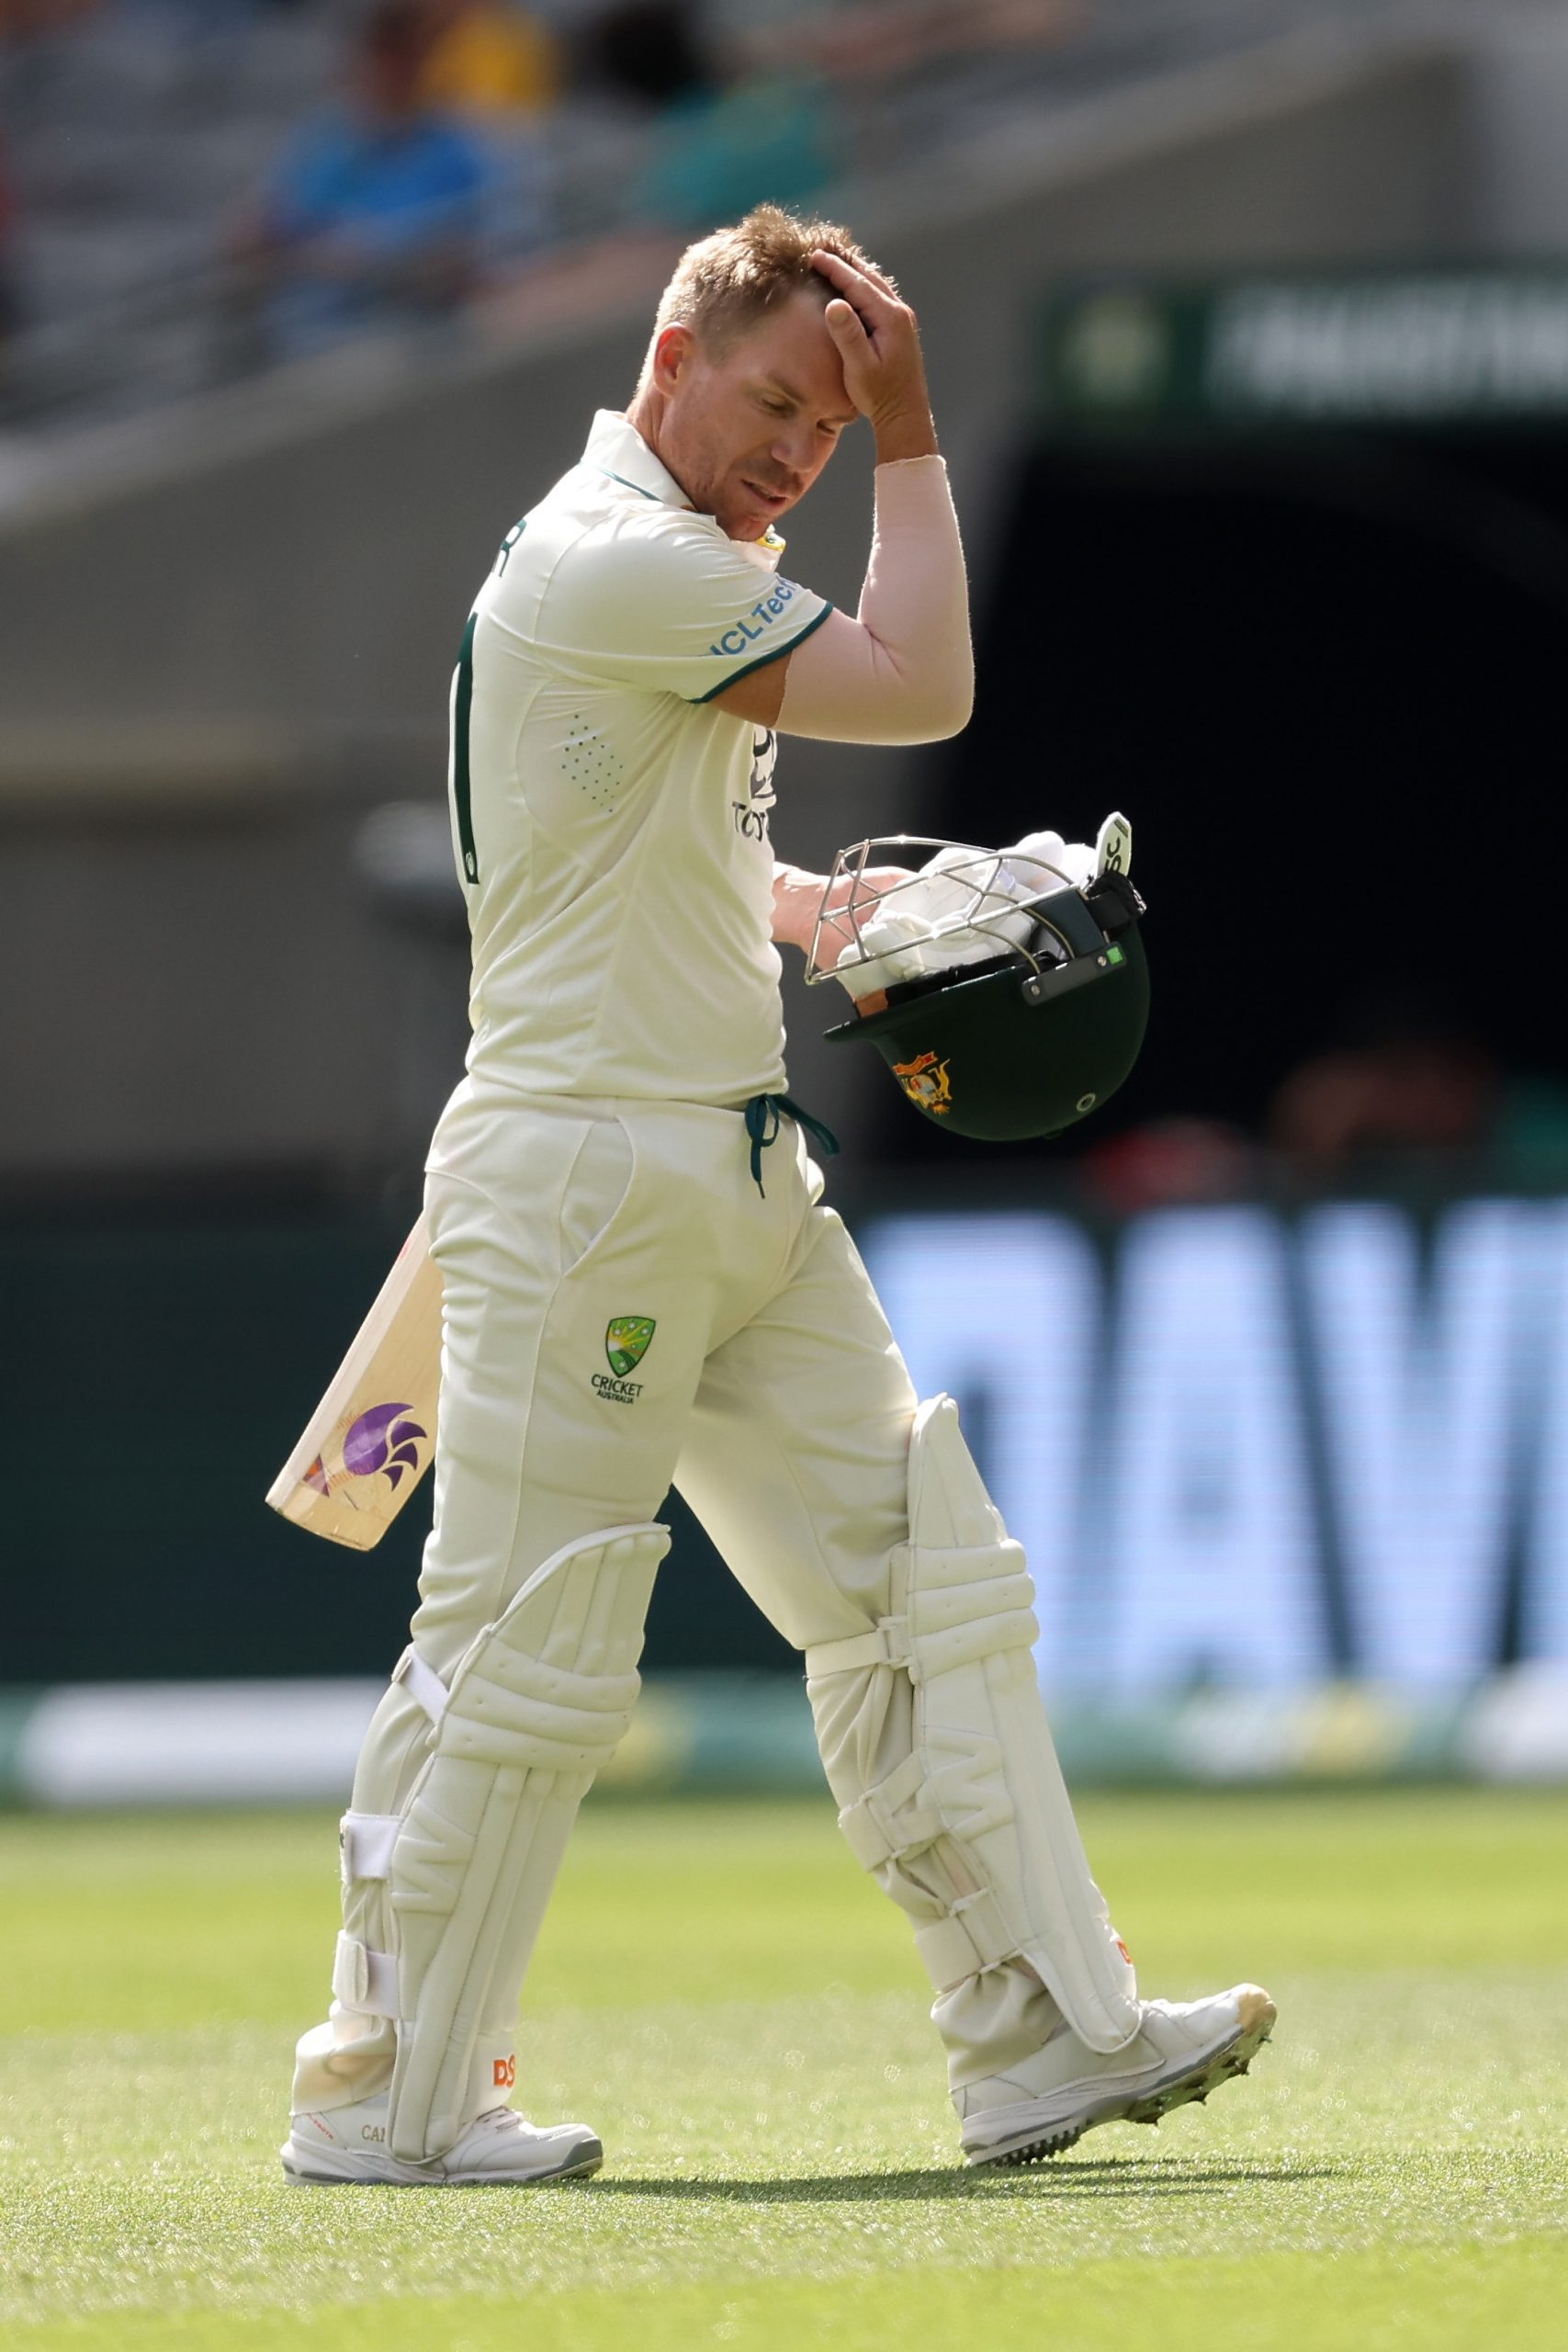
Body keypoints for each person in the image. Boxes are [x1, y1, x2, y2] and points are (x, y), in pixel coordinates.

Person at [281, 202, 1275, 2187]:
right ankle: (385, 2094)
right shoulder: (617, 556)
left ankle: (1036, 2029)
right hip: (586, 1169)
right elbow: (919, 686)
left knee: (921, 1571)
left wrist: (815, 907)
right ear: (670, 355)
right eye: (779, 405)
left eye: (829, 433)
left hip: (728, 1155)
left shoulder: (681, 571)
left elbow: (621, 850)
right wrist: (917, 424)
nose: (796, 457)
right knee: (521, 1639)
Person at [230, 0, 489, 361]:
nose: (393, 70)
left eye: (405, 55)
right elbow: (263, 234)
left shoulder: (457, 153)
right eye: (383, 53)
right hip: (306, 345)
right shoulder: (324, 143)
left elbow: (465, 261)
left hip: (411, 343)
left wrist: (371, 260)